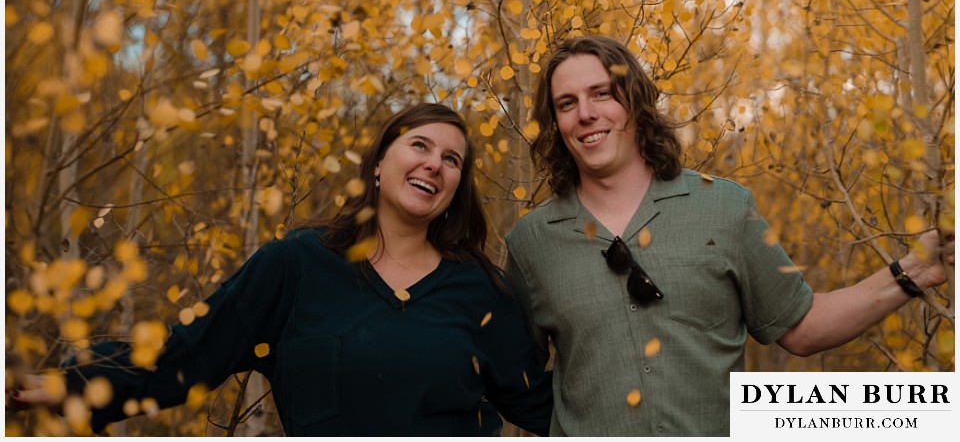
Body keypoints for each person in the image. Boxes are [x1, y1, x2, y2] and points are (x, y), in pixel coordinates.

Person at [504, 35, 954, 437]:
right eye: (567, 103)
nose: (586, 114)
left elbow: (801, 326)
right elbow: (515, 382)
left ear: (635, 103)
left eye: (602, 93)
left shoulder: (725, 209)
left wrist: (915, 269)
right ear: (555, 123)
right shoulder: (531, 243)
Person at [12, 103, 553, 436]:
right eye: (419, 145)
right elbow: (188, 358)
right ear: (381, 164)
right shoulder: (296, 265)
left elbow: (540, 403)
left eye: (452, 159)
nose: (435, 163)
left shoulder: (479, 290)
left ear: (456, 188)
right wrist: (76, 385)